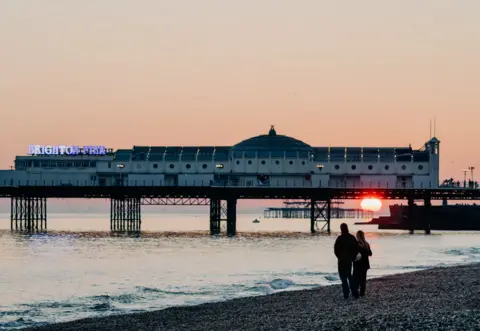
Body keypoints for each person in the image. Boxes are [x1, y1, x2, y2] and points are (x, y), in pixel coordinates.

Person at [334, 223, 359, 299]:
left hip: (341, 261)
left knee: (343, 278)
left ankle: (346, 294)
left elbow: (335, 250)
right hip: (349, 261)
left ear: (341, 229)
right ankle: (355, 293)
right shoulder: (352, 237)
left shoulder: (339, 238)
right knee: (349, 276)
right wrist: (353, 257)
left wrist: (339, 257)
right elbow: (356, 248)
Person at [353, 230, 373, 297]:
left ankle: (356, 293)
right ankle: (362, 293)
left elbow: (355, 254)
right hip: (365, 264)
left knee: (356, 279)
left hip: (358, 265)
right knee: (363, 279)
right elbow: (370, 254)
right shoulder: (366, 244)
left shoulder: (357, 244)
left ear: (358, 236)